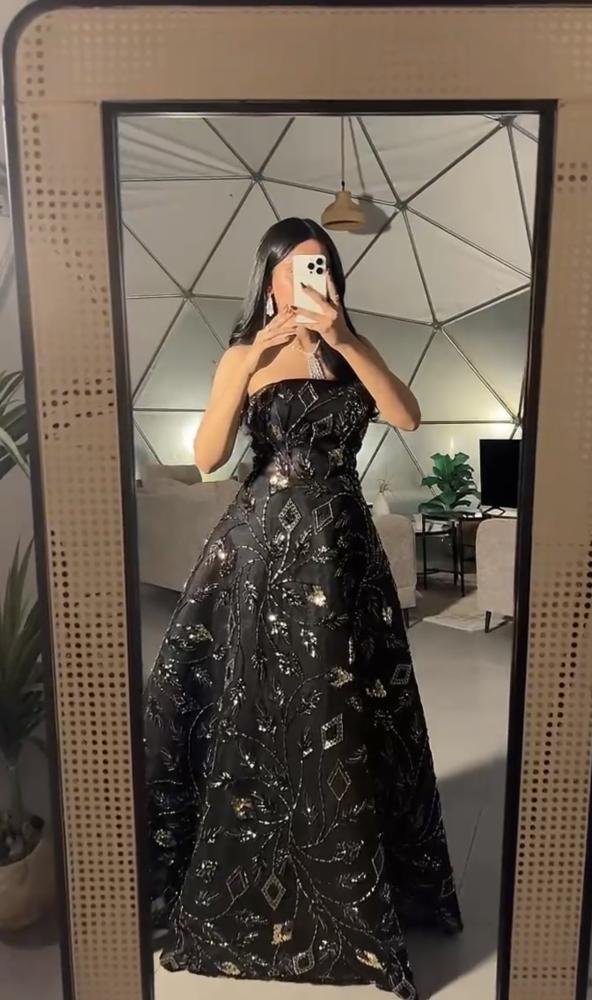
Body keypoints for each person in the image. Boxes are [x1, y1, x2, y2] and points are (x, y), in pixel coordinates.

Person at [143, 217, 462, 999]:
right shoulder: (243, 354)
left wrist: (344, 337)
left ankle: (345, 878)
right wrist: (251, 358)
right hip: (261, 551)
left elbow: (406, 415)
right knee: (260, 708)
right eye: (299, 265)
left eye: (324, 263)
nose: (314, 275)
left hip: (342, 552)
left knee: (341, 708)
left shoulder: (352, 346)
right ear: (270, 279)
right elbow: (208, 457)